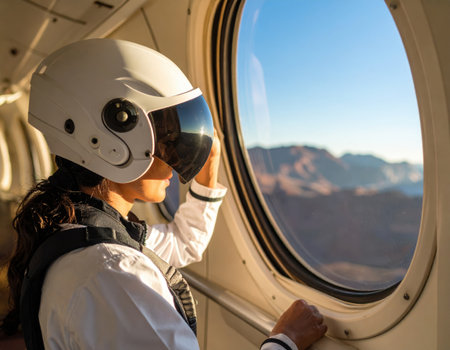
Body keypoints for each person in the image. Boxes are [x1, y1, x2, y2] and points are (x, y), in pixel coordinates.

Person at [1, 39, 326, 350]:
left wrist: (208, 176)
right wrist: (285, 340)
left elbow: (184, 242)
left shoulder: (81, 228)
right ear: (107, 142)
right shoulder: (113, 276)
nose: (179, 157)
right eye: (167, 140)